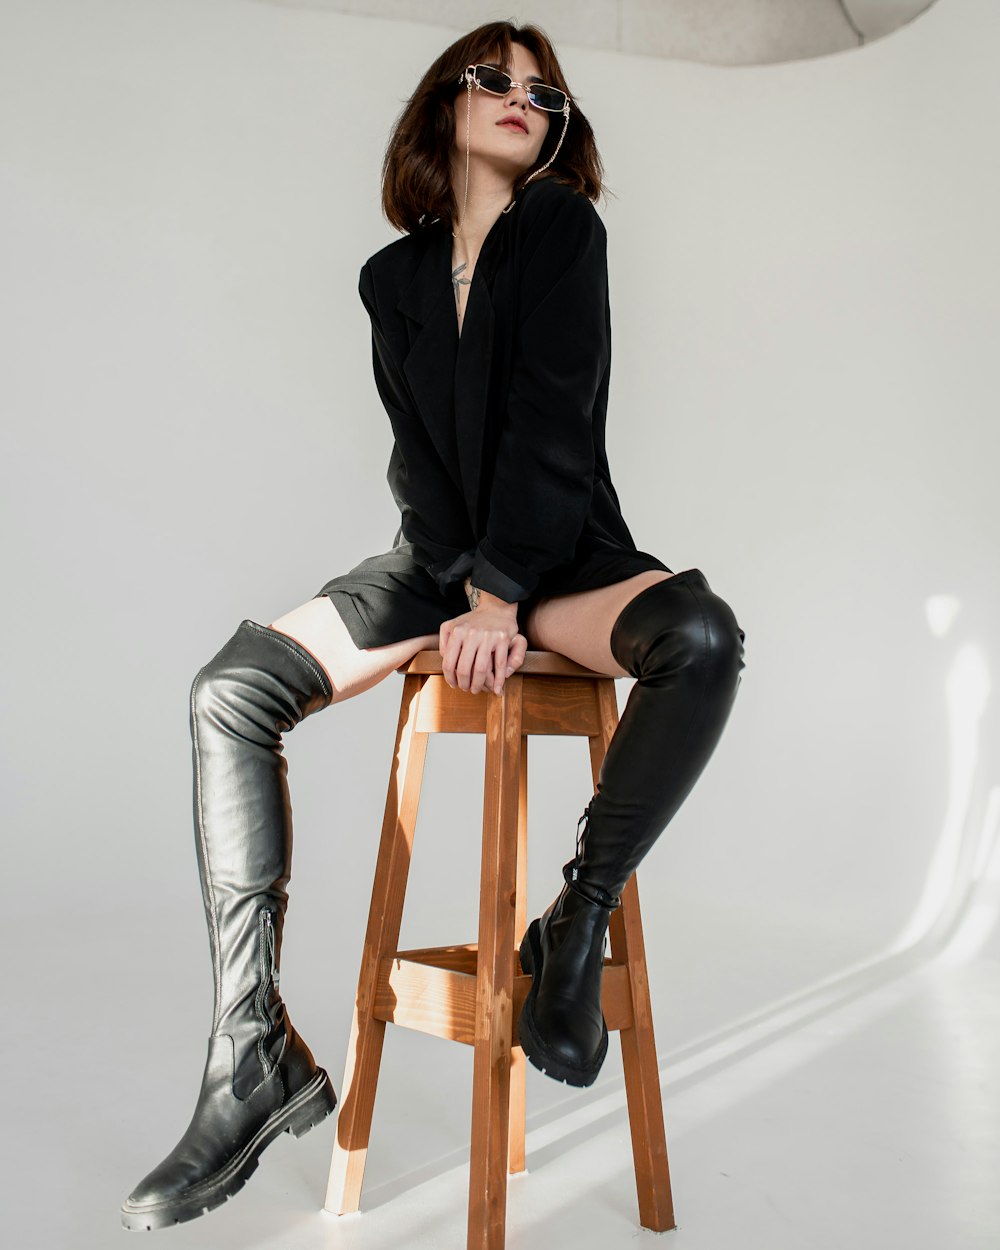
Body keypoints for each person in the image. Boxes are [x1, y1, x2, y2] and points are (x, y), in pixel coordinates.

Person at [120, 20, 746, 1232]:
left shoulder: (562, 230)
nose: (523, 99)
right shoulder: (390, 279)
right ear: (441, 105)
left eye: (543, 91)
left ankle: (573, 916)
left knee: (703, 641)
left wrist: (506, 592)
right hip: (440, 562)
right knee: (230, 689)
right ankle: (251, 1050)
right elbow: (419, 459)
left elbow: (554, 424)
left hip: (561, 553)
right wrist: (459, 593)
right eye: (494, 79)